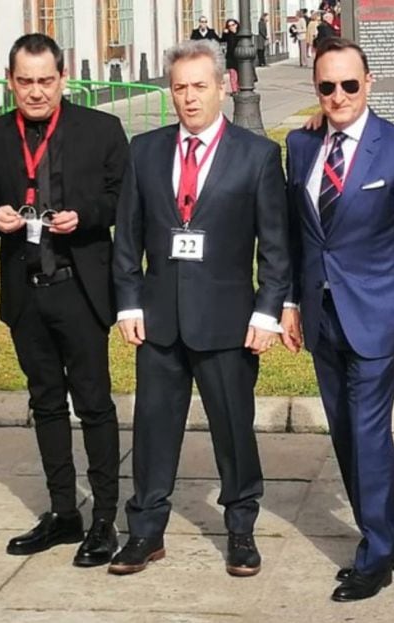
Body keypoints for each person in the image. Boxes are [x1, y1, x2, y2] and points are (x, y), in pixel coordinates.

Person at [109, 39, 290, 577]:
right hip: (159, 320)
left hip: (229, 322)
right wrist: (128, 302)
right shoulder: (144, 150)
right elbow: (129, 237)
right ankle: (145, 531)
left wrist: (266, 313)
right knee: (152, 430)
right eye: (180, 87)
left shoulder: (256, 155)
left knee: (233, 429)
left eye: (199, 86)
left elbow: (276, 246)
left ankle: (240, 528)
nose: (189, 98)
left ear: (224, 87)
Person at [282, 37, 394, 602]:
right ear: (316, 89)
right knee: (346, 435)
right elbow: (302, 235)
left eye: (350, 84)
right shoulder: (300, 148)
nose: (339, 95)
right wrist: (292, 304)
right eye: (327, 86)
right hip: (322, 318)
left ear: (368, 83)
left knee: (369, 435)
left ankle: (374, 555)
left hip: (380, 319)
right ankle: (392, 535)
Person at [0, 33, 127, 567]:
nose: (36, 92)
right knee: (45, 404)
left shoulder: (101, 129)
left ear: (63, 77)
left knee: (95, 405)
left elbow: (122, 197)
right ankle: (63, 512)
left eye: (46, 80)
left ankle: (104, 518)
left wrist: (87, 215)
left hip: (79, 288)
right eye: (25, 81)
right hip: (25, 291)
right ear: (11, 81)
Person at [222, 19, 239, 94]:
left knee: (240, 74)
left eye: (233, 25)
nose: (231, 27)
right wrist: (224, 33)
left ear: (236, 25)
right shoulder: (228, 34)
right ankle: (234, 90)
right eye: (229, 26)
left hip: (239, 57)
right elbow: (222, 40)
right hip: (230, 57)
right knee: (232, 74)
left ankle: (239, 88)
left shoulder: (240, 34)